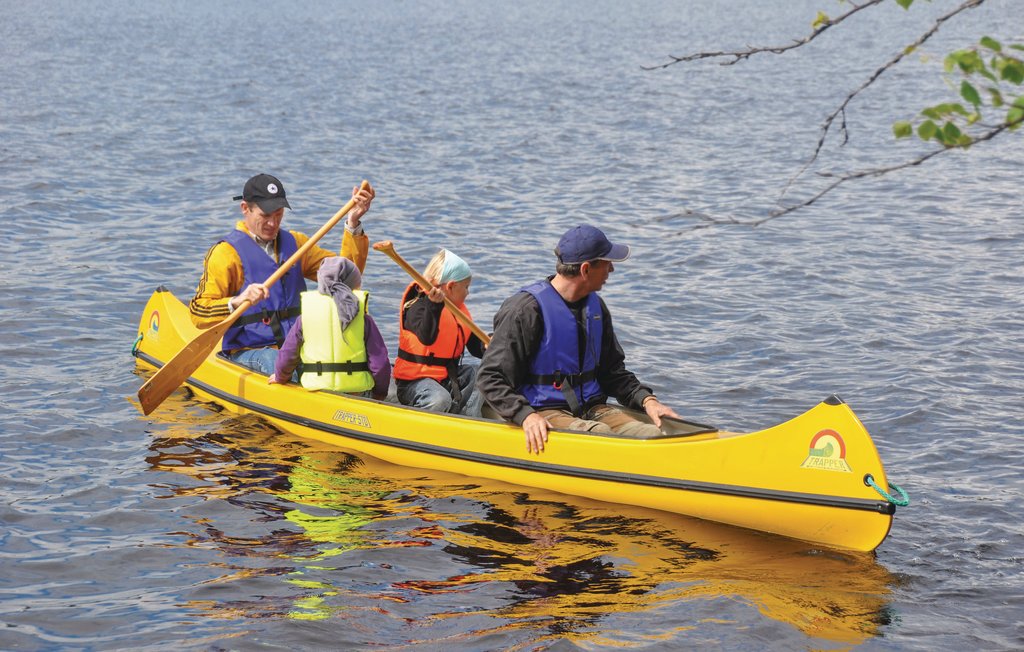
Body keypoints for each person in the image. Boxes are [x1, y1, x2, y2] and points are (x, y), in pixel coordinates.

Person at [476, 224, 681, 454]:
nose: (611, 270)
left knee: (654, 434)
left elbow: (613, 372)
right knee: (602, 436)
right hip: (543, 410)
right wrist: (526, 416)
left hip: (592, 408)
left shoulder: (595, 308)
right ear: (585, 269)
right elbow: (490, 377)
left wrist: (647, 401)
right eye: (606, 263)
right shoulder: (525, 311)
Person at [188, 173, 375, 375]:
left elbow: (346, 277)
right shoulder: (225, 253)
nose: (273, 223)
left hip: (298, 345)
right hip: (252, 350)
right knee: (275, 361)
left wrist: (353, 224)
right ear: (245, 209)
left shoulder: (297, 244)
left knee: (346, 360)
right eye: (265, 215)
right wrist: (237, 300)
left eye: (278, 214)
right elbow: (198, 312)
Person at [268, 257, 391, 400]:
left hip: (317, 390)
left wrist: (280, 376)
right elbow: (380, 363)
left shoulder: (306, 315)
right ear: (353, 285)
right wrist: (380, 394)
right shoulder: (362, 318)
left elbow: (288, 354)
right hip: (355, 393)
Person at [393, 249, 486, 416]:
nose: (468, 293)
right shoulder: (417, 305)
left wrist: (487, 344)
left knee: (482, 374)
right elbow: (426, 337)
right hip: (414, 383)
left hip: (446, 378)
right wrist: (433, 307)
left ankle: (468, 419)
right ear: (451, 286)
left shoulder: (458, 312)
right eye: (466, 287)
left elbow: (474, 345)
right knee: (440, 398)